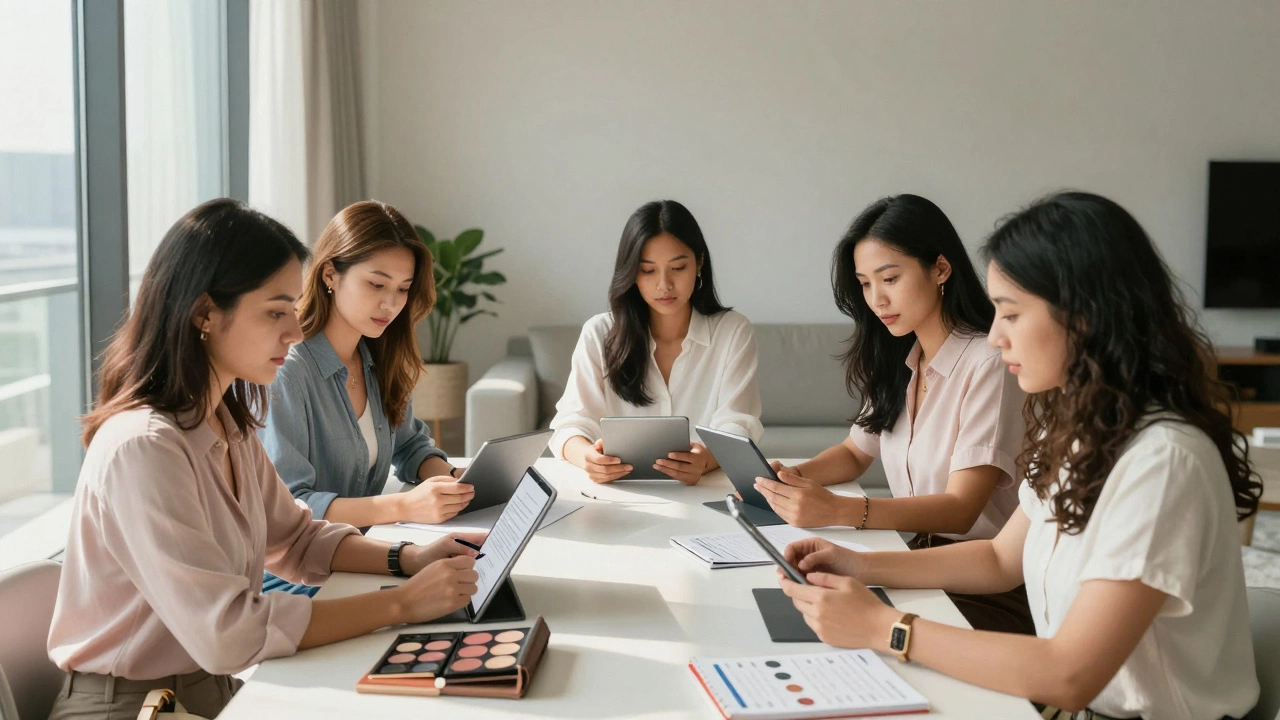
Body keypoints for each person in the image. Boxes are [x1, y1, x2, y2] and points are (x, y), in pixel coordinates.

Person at [780, 191, 1262, 720]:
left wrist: (883, 627)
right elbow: (998, 560)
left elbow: (1068, 674)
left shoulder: (1163, 459)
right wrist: (859, 563)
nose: (994, 336)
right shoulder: (1082, 431)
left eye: (1009, 314)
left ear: (1083, 316)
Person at [48, 199, 482, 719]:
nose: (296, 332)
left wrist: (409, 559)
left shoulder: (227, 423)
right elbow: (229, 634)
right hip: (132, 707)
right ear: (205, 313)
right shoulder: (144, 446)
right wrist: (401, 605)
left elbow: (296, 537)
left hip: (206, 689)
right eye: (276, 312)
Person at [755, 194, 1031, 634]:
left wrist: (841, 510)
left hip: (983, 588)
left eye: (890, 278)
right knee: (786, 612)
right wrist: (785, 480)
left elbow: (962, 509)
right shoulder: (902, 357)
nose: (876, 299)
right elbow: (853, 452)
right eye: (865, 283)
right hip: (916, 564)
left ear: (940, 268)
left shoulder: (989, 362)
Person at [259, 201, 472, 595]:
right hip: (292, 573)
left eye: (403, 289)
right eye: (376, 284)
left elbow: (411, 446)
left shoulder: (377, 357)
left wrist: (448, 482)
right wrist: (407, 507)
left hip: (361, 554)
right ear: (330, 275)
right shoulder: (287, 372)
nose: (390, 303)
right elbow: (294, 507)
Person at [550, 199, 762, 484]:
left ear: (699, 263)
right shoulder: (599, 333)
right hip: (618, 494)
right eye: (648, 270)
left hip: (705, 491)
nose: (664, 285)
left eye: (678, 268)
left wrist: (706, 460)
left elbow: (739, 425)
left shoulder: (732, 332)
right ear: (631, 273)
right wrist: (587, 457)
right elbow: (569, 424)